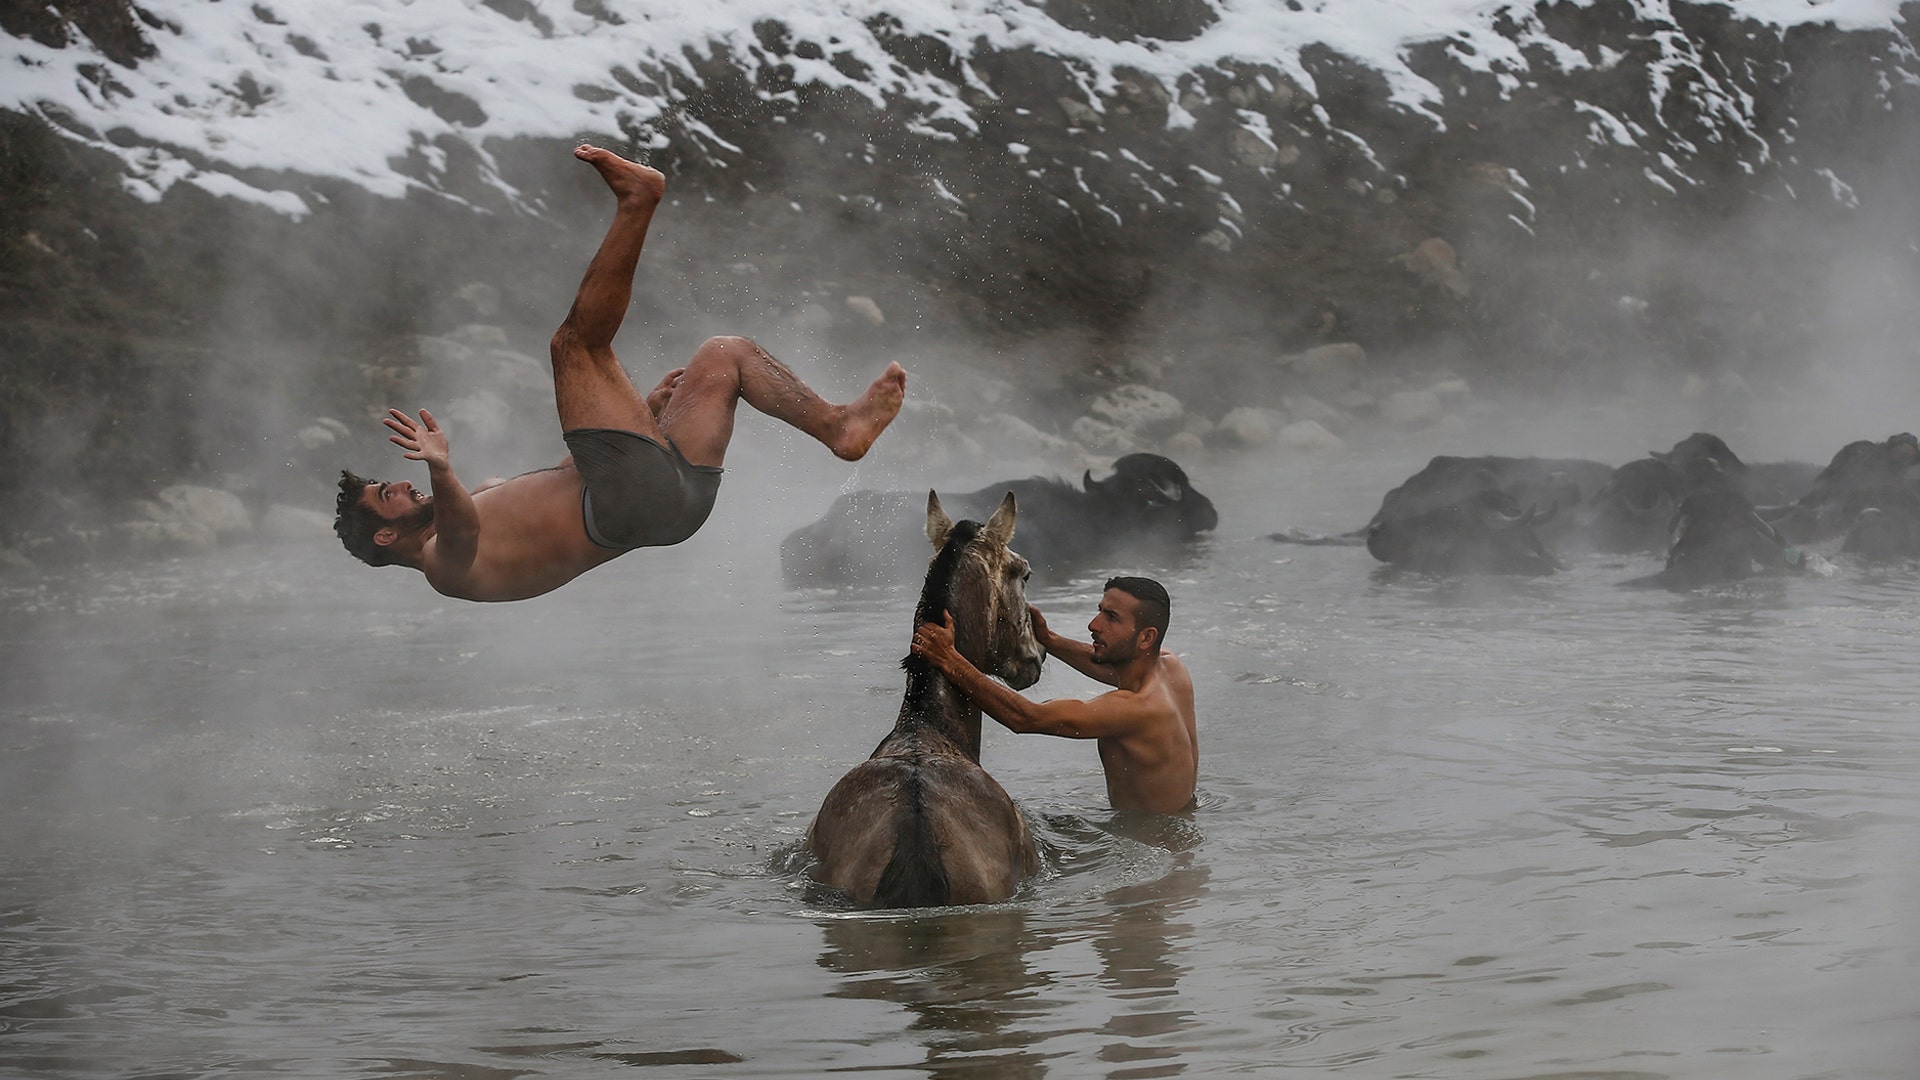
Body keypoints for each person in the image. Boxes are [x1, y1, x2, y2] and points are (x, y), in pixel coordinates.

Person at [333, 144, 907, 601]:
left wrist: (649, 415)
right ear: (386, 535)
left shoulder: (481, 496)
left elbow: (566, 477)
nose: (401, 483)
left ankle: (838, 426)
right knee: (574, 346)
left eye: (396, 481)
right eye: (388, 493)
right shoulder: (441, 566)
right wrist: (439, 466)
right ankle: (638, 200)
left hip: (667, 500)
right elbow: (462, 534)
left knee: (725, 353)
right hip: (630, 503)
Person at [910, 576, 1198, 813]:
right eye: (1100, 610)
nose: (1094, 625)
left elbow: (1025, 717)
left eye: (1111, 618)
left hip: (1151, 843)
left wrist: (949, 659)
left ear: (1146, 637)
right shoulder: (1170, 667)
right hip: (1183, 820)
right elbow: (1112, 667)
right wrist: (1050, 640)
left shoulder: (1136, 710)